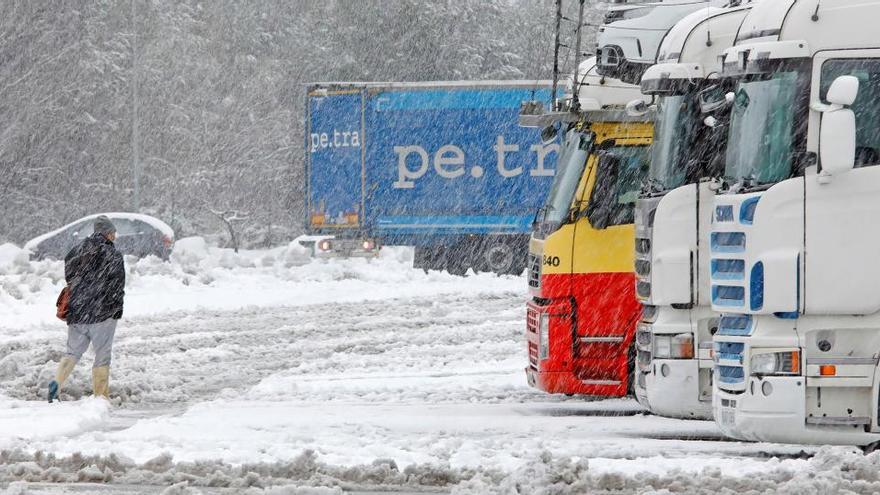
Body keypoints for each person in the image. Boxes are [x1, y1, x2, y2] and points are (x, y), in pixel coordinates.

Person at [48, 216, 125, 402]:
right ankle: (101, 397)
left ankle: (57, 383)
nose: (115, 236)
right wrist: (116, 308)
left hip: (78, 311)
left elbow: (70, 279)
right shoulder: (112, 255)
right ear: (107, 233)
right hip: (102, 314)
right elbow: (117, 285)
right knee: (102, 355)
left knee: (72, 352)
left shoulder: (76, 251)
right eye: (113, 232)